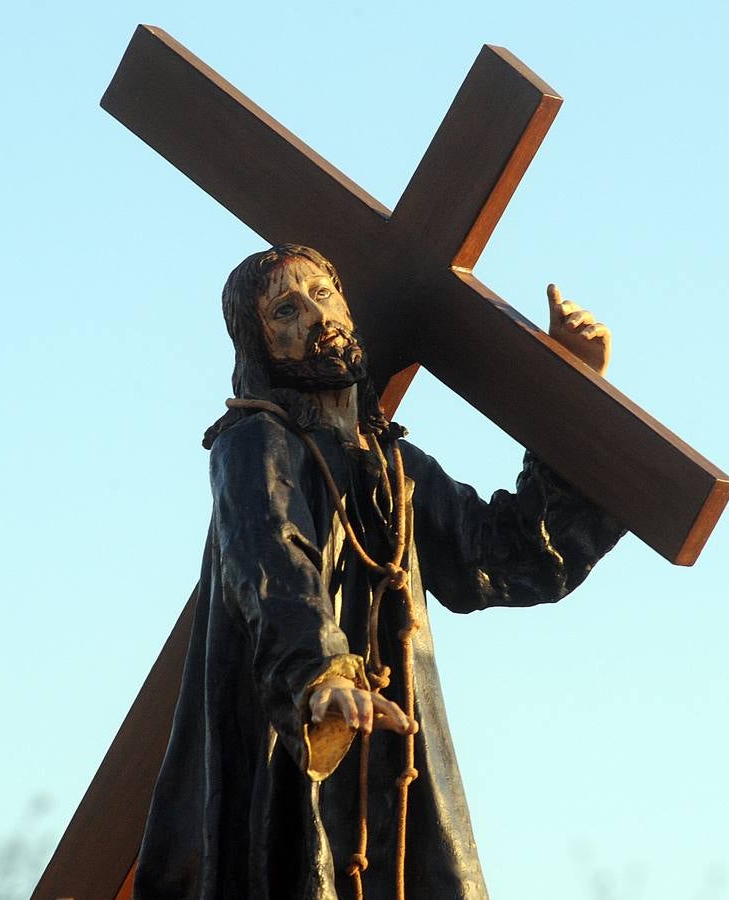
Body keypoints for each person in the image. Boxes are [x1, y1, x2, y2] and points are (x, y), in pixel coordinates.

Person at [133, 244, 624, 900]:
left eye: (324, 293)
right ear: (260, 344)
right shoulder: (255, 443)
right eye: (287, 308)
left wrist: (574, 393)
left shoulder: (397, 469)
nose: (316, 314)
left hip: (393, 753)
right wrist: (321, 672)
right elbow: (272, 559)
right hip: (295, 737)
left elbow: (513, 556)